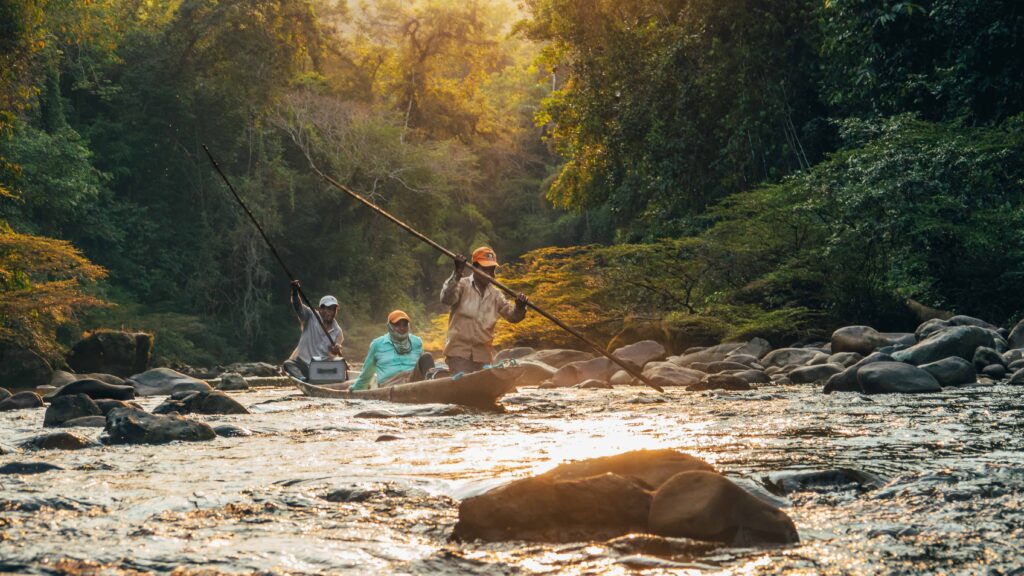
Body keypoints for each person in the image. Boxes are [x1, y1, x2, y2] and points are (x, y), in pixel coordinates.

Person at [440, 246, 528, 374]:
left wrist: (520, 307)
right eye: (485, 269)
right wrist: (457, 272)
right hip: (458, 355)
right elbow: (446, 299)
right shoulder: (461, 285)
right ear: (474, 268)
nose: (489, 274)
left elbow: (513, 317)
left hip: (483, 357)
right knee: (467, 386)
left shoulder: (496, 295)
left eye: (492, 270)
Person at [349, 310, 435, 391]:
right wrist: (356, 389)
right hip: (390, 384)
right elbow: (366, 374)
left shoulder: (417, 342)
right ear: (390, 326)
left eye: (405, 325)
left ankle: (434, 385)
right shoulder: (377, 344)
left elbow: (422, 368)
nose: (402, 328)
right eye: (397, 325)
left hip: (413, 381)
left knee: (427, 357)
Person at [282, 279, 343, 381]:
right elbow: (297, 306)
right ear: (321, 309)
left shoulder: (338, 331)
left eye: (333, 309)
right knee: (287, 364)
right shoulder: (310, 315)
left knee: (338, 366)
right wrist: (295, 292)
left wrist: (336, 348)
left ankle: (315, 379)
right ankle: (302, 379)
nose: (331, 312)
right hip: (302, 364)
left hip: (320, 368)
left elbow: (336, 350)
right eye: (328, 309)